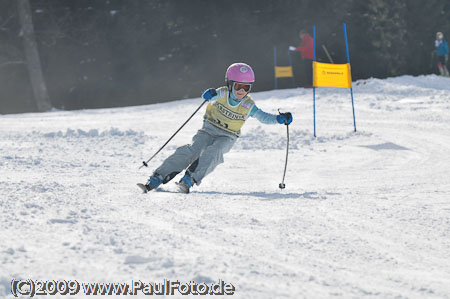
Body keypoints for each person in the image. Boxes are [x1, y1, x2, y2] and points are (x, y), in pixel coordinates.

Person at [138, 63, 293, 194]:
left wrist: (278, 119)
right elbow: (210, 96)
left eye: (246, 88)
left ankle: (189, 180)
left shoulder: (247, 104)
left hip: (228, 136)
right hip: (208, 130)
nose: (241, 92)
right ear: (230, 84)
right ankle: (157, 178)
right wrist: (208, 94)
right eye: (238, 87)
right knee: (193, 150)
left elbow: (262, 116)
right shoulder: (222, 93)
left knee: (215, 152)